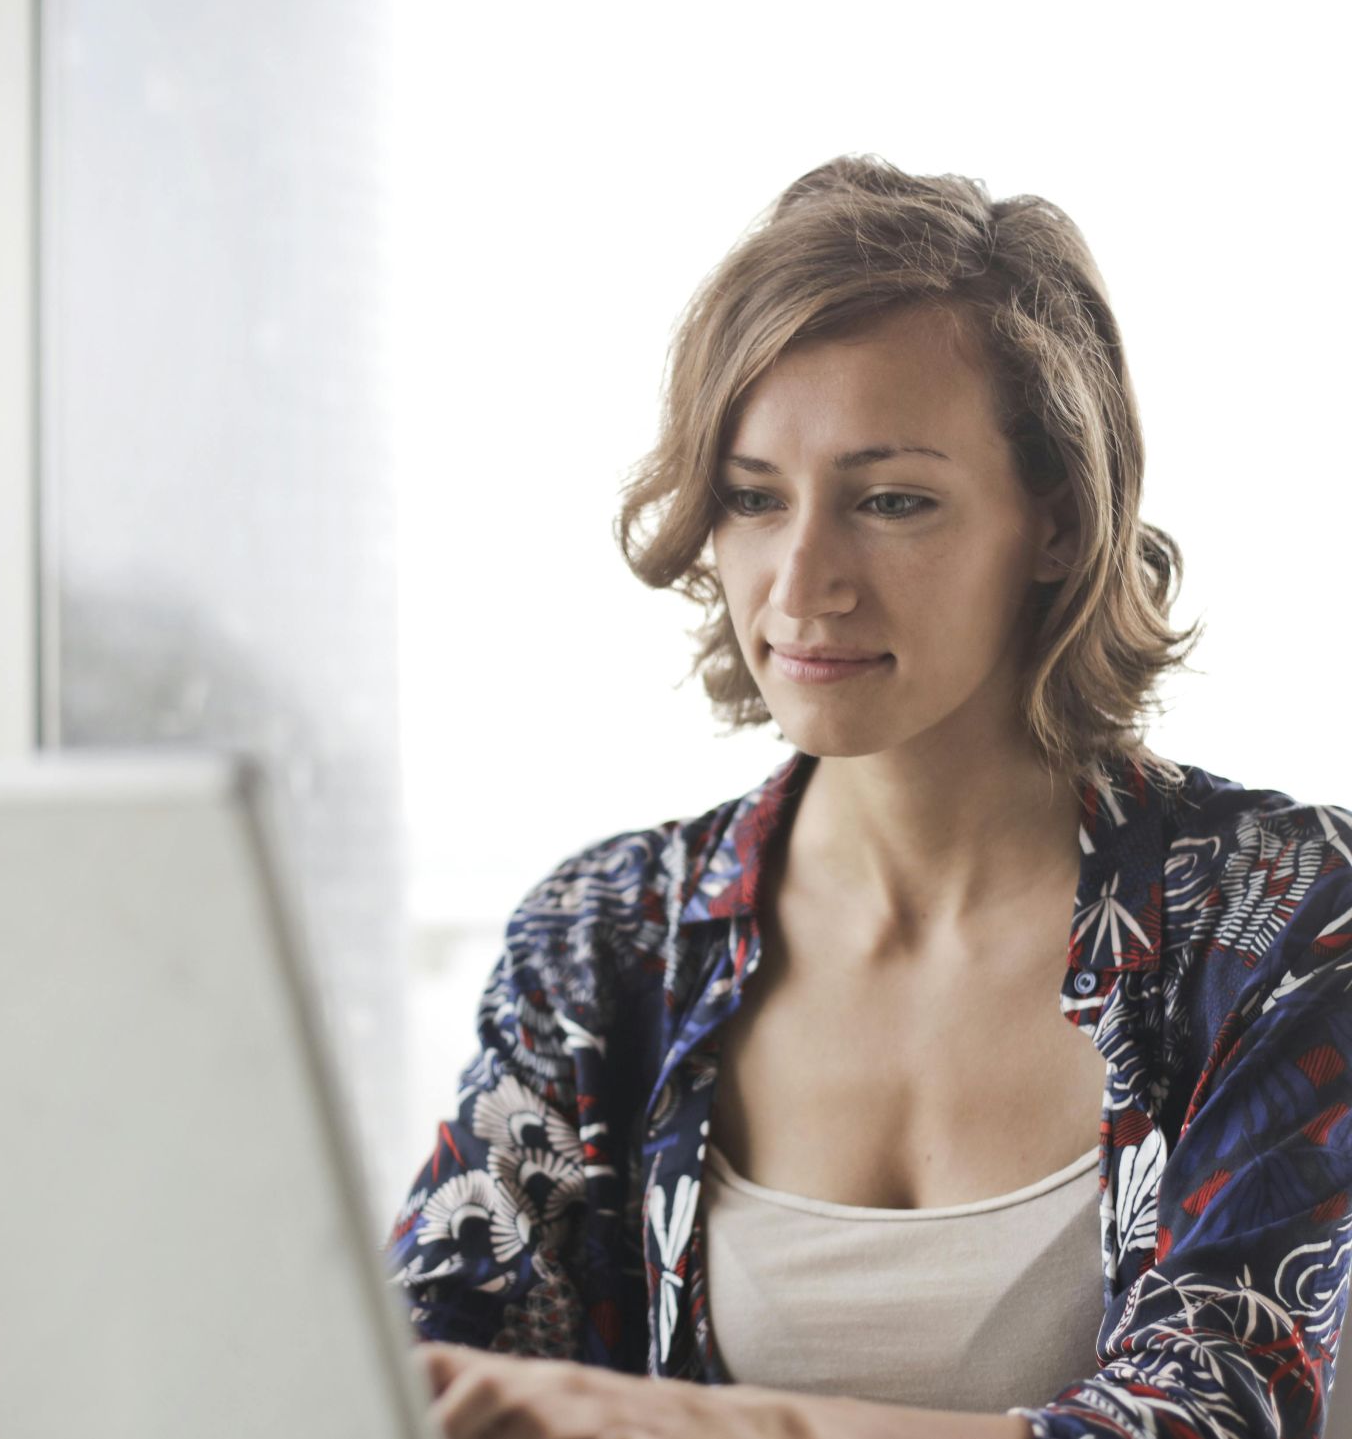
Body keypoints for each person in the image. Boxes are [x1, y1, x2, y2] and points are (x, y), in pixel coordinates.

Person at [384, 156, 1352, 1439]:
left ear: (1055, 524)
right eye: (750, 497)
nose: (801, 581)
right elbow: (412, 1364)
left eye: (893, 501)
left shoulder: (1283, 916)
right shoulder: (604, 936)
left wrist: (683, 1424)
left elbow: (1217, 1413)